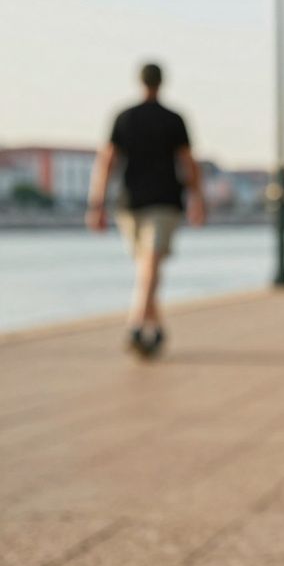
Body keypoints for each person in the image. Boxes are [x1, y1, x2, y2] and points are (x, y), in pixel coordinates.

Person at [87, 63, 206, 357]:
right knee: (148, 266)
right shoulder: (174, 119)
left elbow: (107, 162)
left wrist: (97, 204)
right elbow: (189, 163)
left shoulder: (124, 117)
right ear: (162, 83)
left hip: (131, 203)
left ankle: (136, 324)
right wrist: (197, 199)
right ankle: (156, 328)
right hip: (162, 200)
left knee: (148, 262)